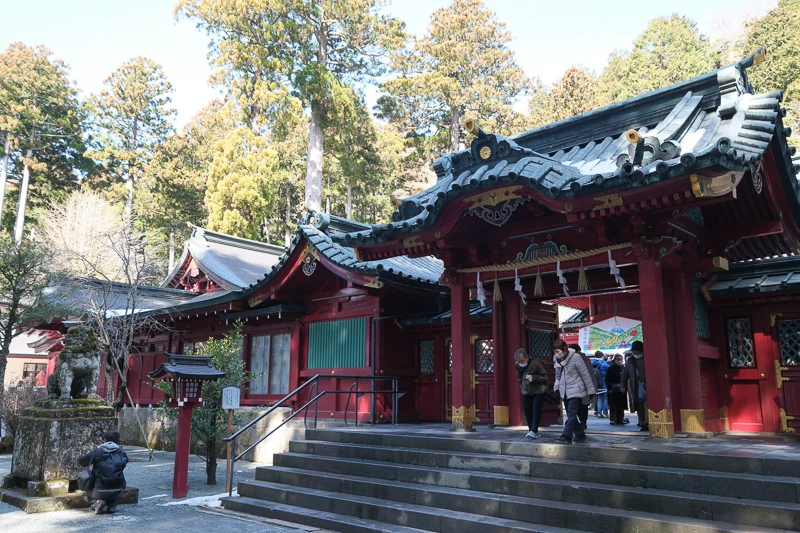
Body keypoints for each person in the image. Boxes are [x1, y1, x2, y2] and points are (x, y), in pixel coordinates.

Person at [553, 340, 596, 443]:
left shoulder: (576, 357)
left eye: (558, 351)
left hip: (577, 388)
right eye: (555, 351)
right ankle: (580, 433)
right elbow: (558, 376)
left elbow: (585, 374)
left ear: (564, 349)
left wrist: (591, 390)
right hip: (565, 390)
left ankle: (566, 435)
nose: (556, 354)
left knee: (571, 413)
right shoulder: (556, 359)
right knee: (569, 413)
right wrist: (556, 388)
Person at [79, 430, 129, 514]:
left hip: (100, 488)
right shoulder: (121, 453)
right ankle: (112, 504)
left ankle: (96, 502)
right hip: (118, 488)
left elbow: (82, 461)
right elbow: (124, 463)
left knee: (85, 494)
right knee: (112, 486)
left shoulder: (98, 451)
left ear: (105, 440)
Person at [514, 348, 548, 439]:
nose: (521, 363)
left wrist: (533, 378)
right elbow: (519, 377)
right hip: (527, 390)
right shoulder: (517, 365)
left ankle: (534, 430)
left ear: (527, 358)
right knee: (527, 409)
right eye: (519, 361)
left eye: (522, 360)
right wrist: (522, 386)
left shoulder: (536, 363)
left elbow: (544, 376)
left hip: (539, 389)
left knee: (536, 409)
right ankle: (531, 430)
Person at [621, 340, 648, 432]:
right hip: (635, 386)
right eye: (634, 351)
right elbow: (625, 374)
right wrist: (623, 385)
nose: (636, 353)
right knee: (639, 406)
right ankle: (643, 423)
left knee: (647, 404)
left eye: (637, 351)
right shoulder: (630, 361)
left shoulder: (648, 359)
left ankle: (647, 422)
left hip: (647, 386)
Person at [569, 344, 596, 431]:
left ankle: (582, 422)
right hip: (577, 385)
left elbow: (588, 374)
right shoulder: (583, 359)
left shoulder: (582, 359)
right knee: (579, 405)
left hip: (583, 385)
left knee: (582, 405)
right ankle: (579, 422)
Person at [605, 353, 627, 425]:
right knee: (613, 405)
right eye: (618, 360)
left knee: (621, 405)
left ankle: (620, 419)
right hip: (613, 389)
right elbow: (607, 379)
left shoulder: (623, 368)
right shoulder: (610, 368)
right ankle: (613, 419)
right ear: (615, 360)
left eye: (621, 360)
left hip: (621, 389)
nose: (620, 361)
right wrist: (609, 388)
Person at [592, 351, 610, 418]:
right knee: (605, 398)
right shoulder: (604, 364)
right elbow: (610, 367)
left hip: (596, 383)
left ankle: (599, 413)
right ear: (602, 356)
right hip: (603, 383)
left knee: (599, 398)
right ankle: (605, 413)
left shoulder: (592, 363)